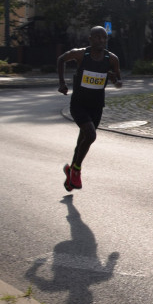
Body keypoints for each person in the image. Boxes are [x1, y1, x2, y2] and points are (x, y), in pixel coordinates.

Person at [57, 26, 123, 191]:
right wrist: (62, 83)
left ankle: (70, 175)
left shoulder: (112, 59)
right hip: (79, 105)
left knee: (82, 142)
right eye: (97, 37)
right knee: (91, 135)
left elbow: (118, 81)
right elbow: (61, 59)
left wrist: (115, 80)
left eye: (104, 38)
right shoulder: (81, 54)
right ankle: (77, 171)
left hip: (96, 106)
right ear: (90, 38)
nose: (101, 40)